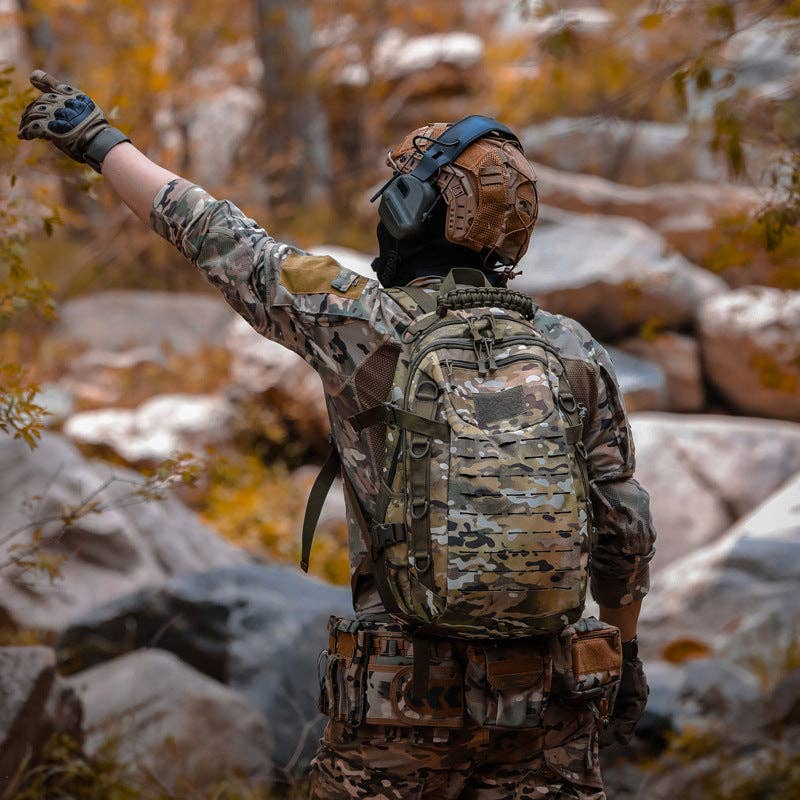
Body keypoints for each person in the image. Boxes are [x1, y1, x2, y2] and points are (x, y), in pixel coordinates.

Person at [19, 71, 656, 800]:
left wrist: (98, 140)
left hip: (400, 714)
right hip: (550, 712)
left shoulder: (360, 321)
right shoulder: (572, 349)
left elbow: (217, 234)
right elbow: (625, 528)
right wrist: (625, 652)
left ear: (414, 209)